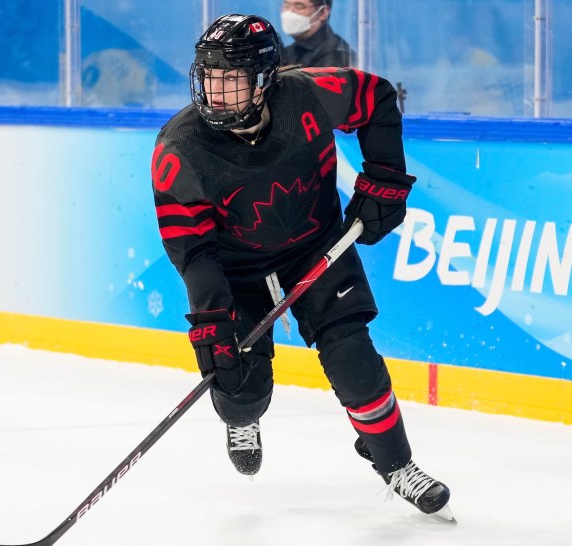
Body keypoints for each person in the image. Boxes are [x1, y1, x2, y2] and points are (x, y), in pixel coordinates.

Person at [151, 14, 452, 519]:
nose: (217, 93)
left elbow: (376, 97)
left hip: (317, 250)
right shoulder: (179, 150)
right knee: (241, 384)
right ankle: (240, 416)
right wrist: (211, 325)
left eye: (232, 79)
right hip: (236, 272)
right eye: (210, 79)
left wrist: (386, 178)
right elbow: (194, 251)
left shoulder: (308, 94)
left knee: (353, 356)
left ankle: (396, 464)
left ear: (265, 78)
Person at [279, 0, 354, 68]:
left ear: (323, 12)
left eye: (299, 6)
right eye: (286, 5)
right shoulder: (289, 51)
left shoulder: (336, 55)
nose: (289, 12)